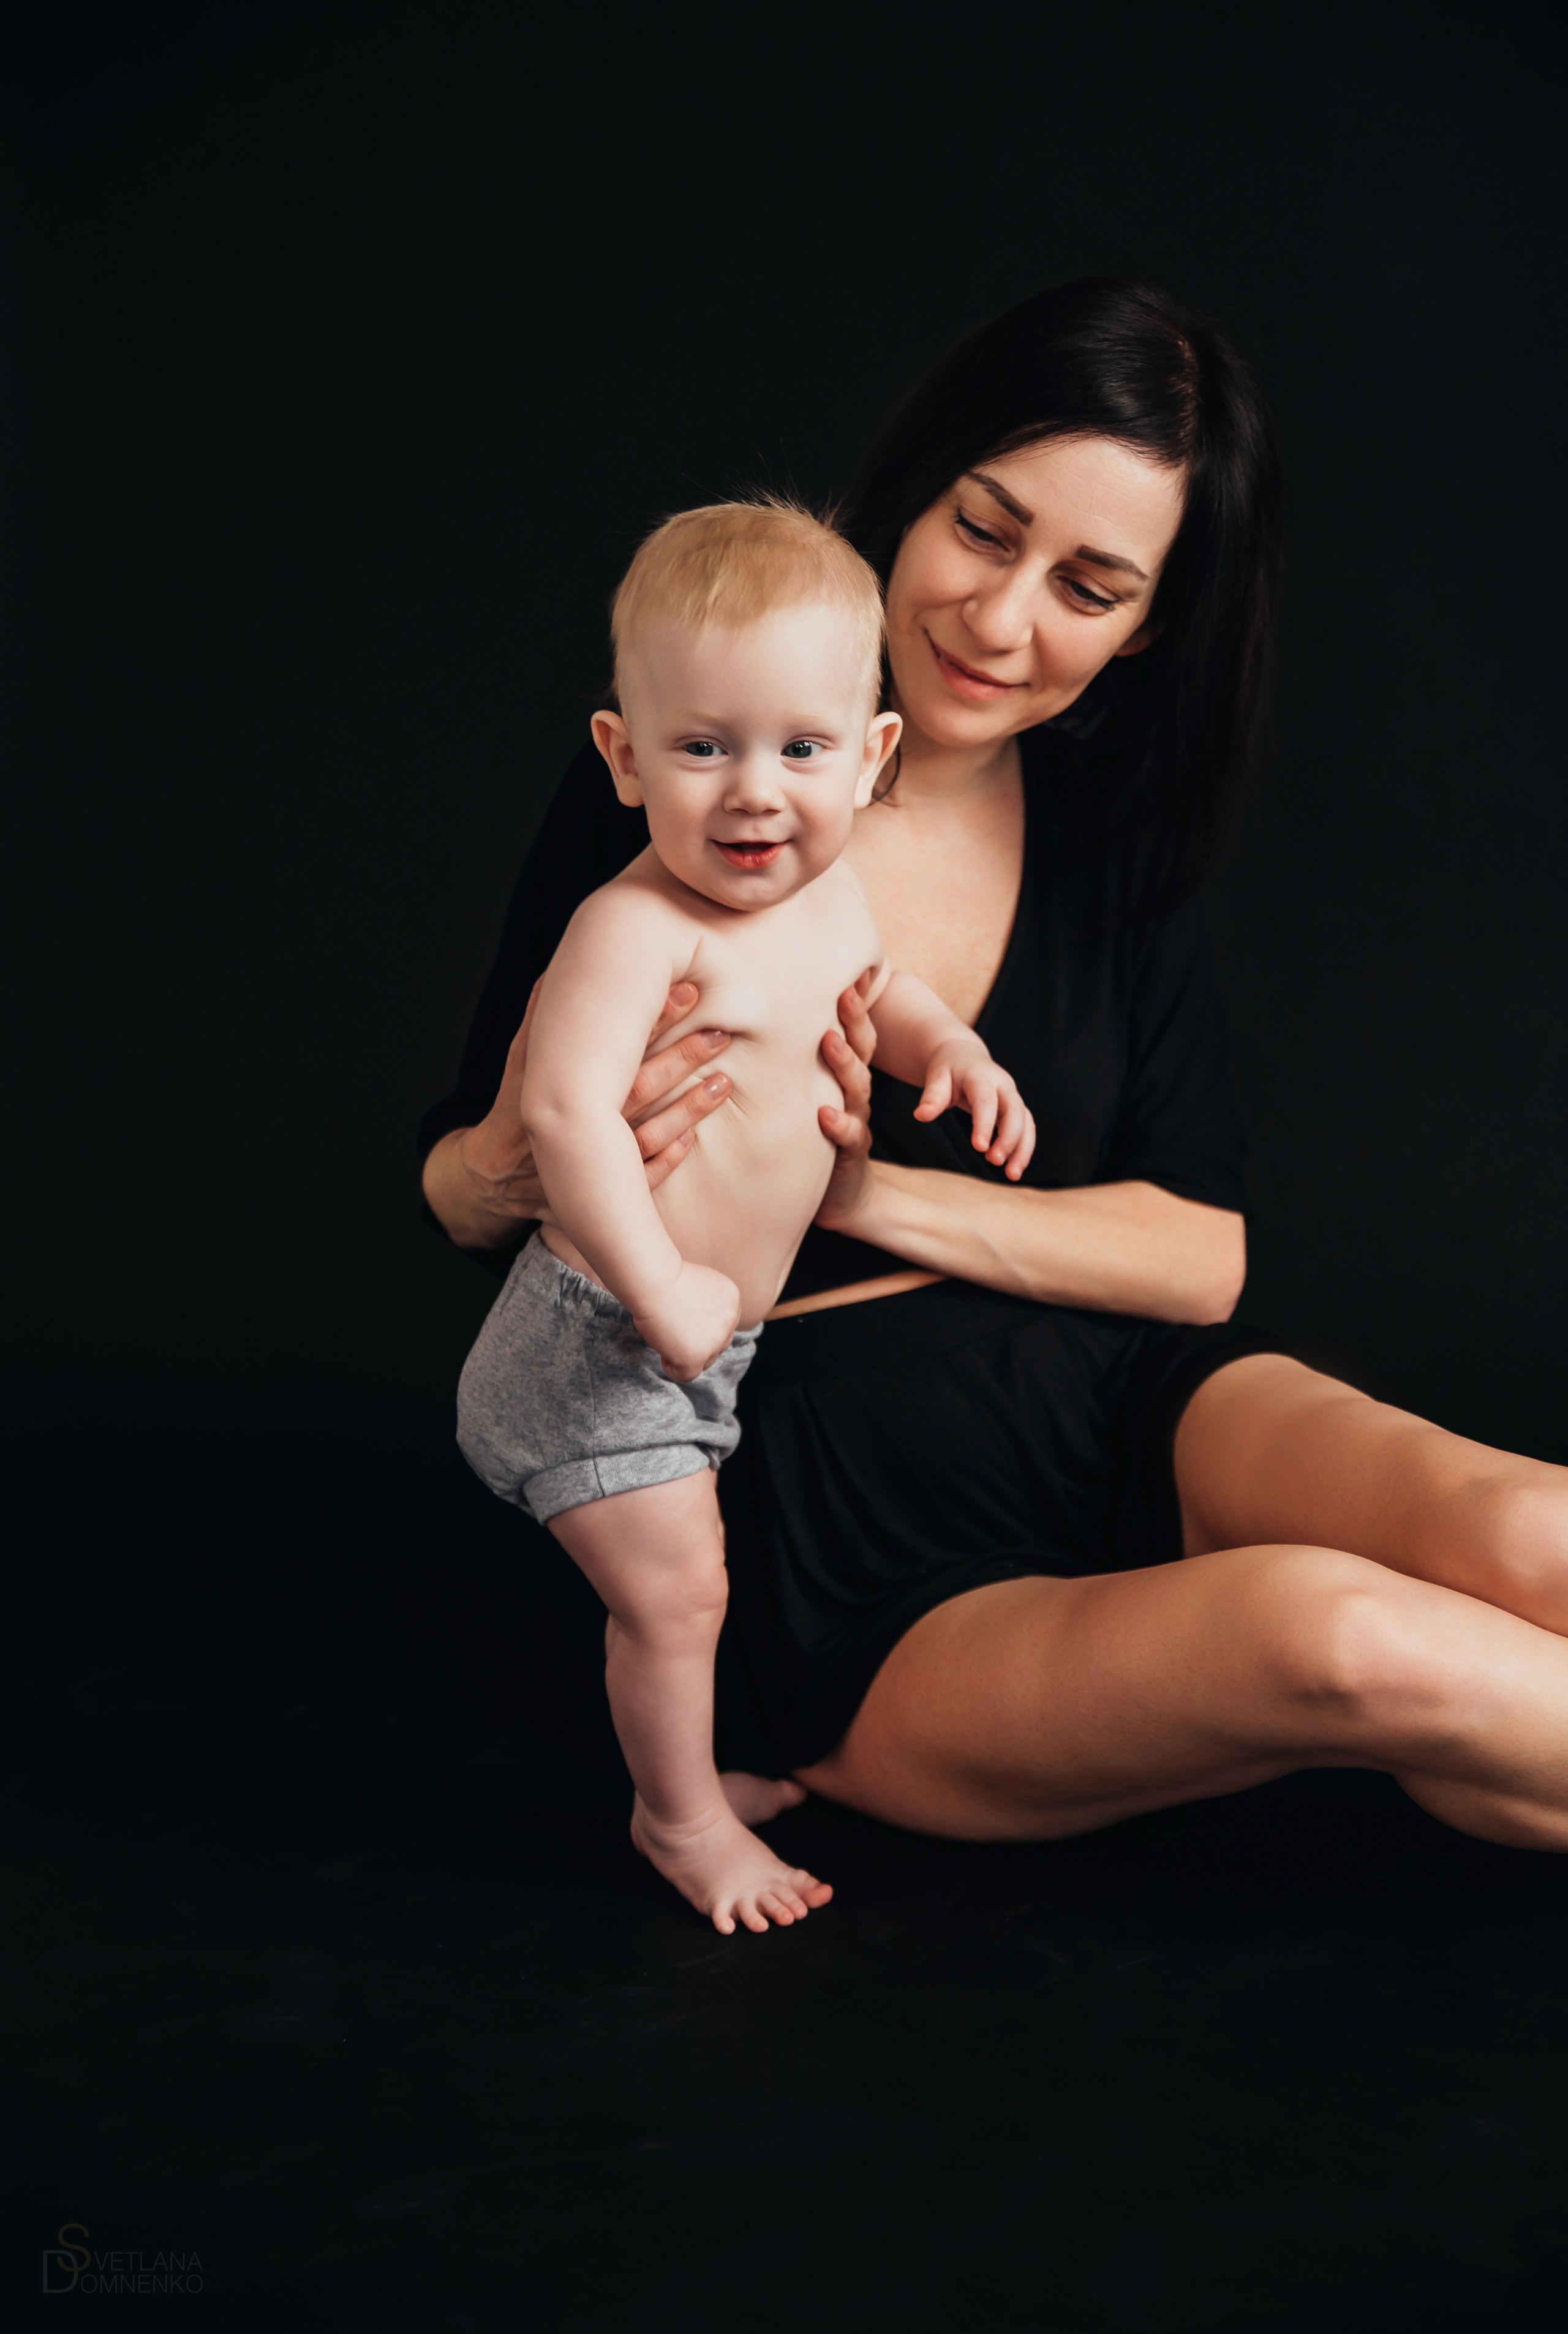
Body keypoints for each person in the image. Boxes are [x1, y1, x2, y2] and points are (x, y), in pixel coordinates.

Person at [423, 276, 1568, 1860]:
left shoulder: (1110, 835)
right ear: (918, 485)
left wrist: (867, 1193)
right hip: (830, 1514)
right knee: (1349, 1644)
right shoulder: (703, 772)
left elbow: (1200, 1255)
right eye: (985, 527)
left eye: (1090, 586)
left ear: (1148, 625)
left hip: (1110, 1394)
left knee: (1531, 1531)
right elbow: (458, 1187)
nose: (1001, 616)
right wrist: (531, 1151)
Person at [453, 500, 1031, 1933]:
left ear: (873, 755)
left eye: (800, 748)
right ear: (622, 757)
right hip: (594, 1340)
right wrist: (655, 1288)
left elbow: (874, 997)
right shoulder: (629, 929)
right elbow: (567, 1117)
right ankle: (680, 1819)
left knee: (693, 1594)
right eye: (701, 748)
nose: (753, 794)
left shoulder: (829, 897)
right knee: (681, 1598)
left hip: (700, 1338)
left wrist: (945, 1045)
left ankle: (687, 1769)